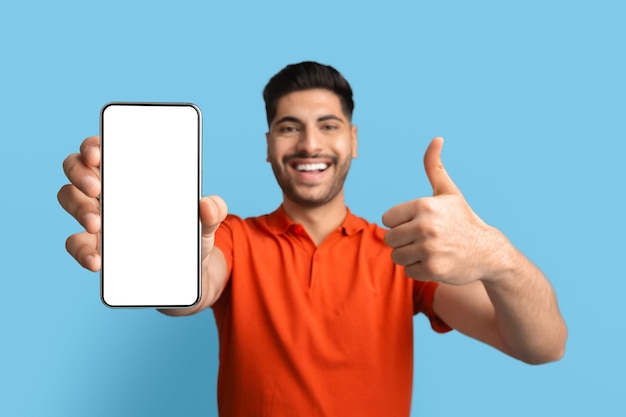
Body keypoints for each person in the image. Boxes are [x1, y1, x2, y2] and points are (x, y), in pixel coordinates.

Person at [58, 61, 567, 416]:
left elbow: (543, 346)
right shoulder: (234, 239)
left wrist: (497, 256)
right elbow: (193, 288)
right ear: (267, 146)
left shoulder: (403, 253)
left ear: (353, 141)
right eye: (288, 127)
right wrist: (168, 255)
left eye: (328, 125)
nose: (309, 144)